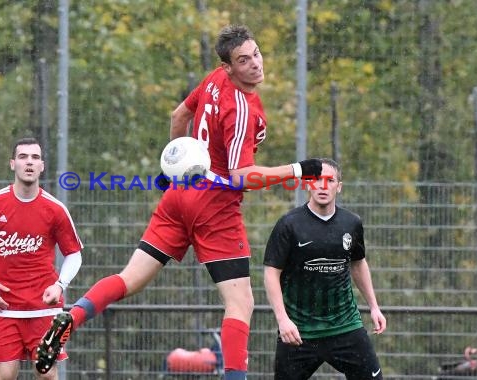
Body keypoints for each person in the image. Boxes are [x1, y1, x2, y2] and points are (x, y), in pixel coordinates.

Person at [35, 24, 322, 379]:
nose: (255, 64)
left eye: (257, 54)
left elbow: (178, 116)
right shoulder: (241, 107)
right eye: (243, 60)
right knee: (240, 303)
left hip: (180, 195)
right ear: (230, 67)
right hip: (214, 206)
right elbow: (240, 175)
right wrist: (299, 169)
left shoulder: (215, 78)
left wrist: (173, 168)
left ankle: (73, 316)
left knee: (130, 279)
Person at [0, 137, 83, 380]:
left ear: (42, 166)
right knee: (4, 375)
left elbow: (74, 254)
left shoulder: (55, 209)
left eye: (35, 157)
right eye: (23, 157)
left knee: (47, 375)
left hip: (43, 308)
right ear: (12, 164)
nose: (29, 162)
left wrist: (59, 286)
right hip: (4, 307)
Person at [263, 158, 387, 380]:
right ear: (308, 184)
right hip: (299, 333)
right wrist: (283, 320)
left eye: (330, 180)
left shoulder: (351, 223)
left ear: (338, 186)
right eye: (317, 180)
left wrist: (374, 307)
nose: (323, 186)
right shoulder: (289, 224)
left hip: (346, 327)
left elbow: (358, 263)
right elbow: (271, 273)